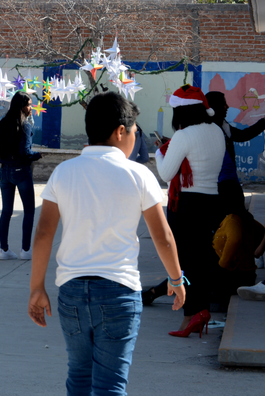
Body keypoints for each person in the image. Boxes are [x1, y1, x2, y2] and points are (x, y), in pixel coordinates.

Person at [29, 92, 185, 396]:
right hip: (119, 294)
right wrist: (177, 279)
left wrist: (37, 288)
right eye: (135, 131)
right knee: (110, 386)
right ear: (120, 131)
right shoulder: (139, 174)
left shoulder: (63, 173)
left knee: (78, 378)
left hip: (71, 293)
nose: (136, 138)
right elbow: (163, 237)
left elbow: (44, 234)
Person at [155, 85, 226, 336]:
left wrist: (158, 153)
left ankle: (189, 317)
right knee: (203, 261)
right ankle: (202, 311)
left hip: (186, 206)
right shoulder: (217, 131)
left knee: (184, 263)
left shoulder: (184, 137)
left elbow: (166, 173)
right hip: (211, 203)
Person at [206, 91, 265, 217]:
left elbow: (241, 135)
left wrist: (263, 123)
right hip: (218, 183)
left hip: (229, 180)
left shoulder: (223, 124)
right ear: (215, 107)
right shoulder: (208, 128)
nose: (227, 107)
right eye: (224, 104)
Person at [0, 91, 41, 260]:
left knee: (6, 211)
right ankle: (25, 250)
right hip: (21, 171)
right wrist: (37, 154)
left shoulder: (2, 123)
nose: (31, 107)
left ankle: (3, 250)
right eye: (29, 104)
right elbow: (25, 152)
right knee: (28, 211)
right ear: (21, 106)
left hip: (4, 170)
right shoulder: (25, 125)